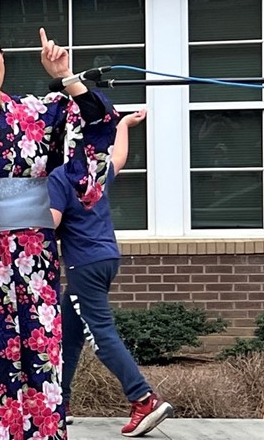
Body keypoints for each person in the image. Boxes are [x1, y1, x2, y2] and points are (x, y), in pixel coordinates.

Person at [0, 24, 118, 440]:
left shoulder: (38, 112)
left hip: (35, 256)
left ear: (2, 55)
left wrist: (67, 76)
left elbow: (99, 124)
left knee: (42, 354)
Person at [53, 110, 172, 437]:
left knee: (100, 333)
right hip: (107, 258)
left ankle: (142, 398)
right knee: (71, 334)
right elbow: (120, 155)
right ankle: (58, 404)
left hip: (84, 265)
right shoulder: (93, 172)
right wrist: (122, 125)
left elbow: (48, 224)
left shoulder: (58, 178)